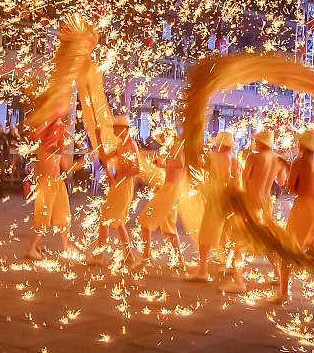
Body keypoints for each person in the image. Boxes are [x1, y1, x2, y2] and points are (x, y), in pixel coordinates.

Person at [220, 129, 286, 293]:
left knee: (240, 239)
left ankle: (238, 282)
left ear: (261, 143)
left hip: (252, 202)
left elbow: (244, 180)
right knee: (265, 237)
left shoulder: (253, 157)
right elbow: (282, 181)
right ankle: (278, 274)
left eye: (256, 140)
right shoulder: (278, 159)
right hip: (266, 202)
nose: (254, 142)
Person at [268, 130, 314, 304]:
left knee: (288, 250)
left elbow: (290, 188)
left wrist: (287, 168)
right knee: (309, 243)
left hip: (304, 208)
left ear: (302, 145)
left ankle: (283, 293)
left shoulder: (299, 162)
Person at [88, 115, 141, 265]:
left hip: (124, 187)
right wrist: (98, 138)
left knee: (106, 220)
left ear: (123, 129)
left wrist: (117, 179)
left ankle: (99, 256)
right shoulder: (120, 145)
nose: (113, 131)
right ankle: (129, 255)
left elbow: (136, 169)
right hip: (118, 186)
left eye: (115, 128)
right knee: (117, 222)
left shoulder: (131, 145)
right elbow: (104, 157)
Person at [188, 131, 239, 282]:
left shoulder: (214, 158)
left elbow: (199, 169)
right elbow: (235, 184)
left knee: (205, 235)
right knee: (227, 235)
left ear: (220, 144)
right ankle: (230, 266)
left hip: (215, 202)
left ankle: (202, 270)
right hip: (229, 202)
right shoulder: (235, 162)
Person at [26, 116, 77, 260]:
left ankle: (65, 246)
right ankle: (31, 249)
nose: (60, 133)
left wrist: (86, 161)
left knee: (64, 215)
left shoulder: (56, 144)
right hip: (46, 185)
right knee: (43, 219)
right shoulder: (45, 144)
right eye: (57, 130)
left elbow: (66, 167)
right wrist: (60, 129)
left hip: (58, 183)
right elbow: (57, 149)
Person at [134, 130, 185, 269]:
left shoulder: (176, 148)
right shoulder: (172, 149)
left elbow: (179, 165)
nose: (160, 140)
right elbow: (168, 160)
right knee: (168, 225)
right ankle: (179, 259)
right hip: (169, 189)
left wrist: (162, 165)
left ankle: (146, 256)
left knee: (145, 219)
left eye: (162, 137)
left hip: (170, 190)